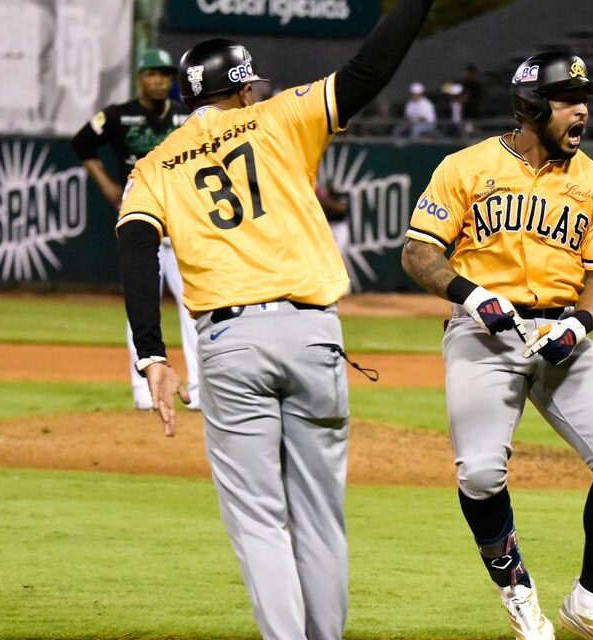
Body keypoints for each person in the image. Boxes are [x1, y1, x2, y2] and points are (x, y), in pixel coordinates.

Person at [114, 1, 434, 636]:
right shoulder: (282, 116)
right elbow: (369, 69)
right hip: (314, 333)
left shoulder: (153, 167)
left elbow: (134, 251)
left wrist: (151, 354)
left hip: (230, 342)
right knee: (320, 517)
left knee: (260, 519)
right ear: (243, 87)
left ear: (186, 96)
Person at [401, 51, 593, 640]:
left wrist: (580, 324)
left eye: (585, 99)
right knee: (481, 474)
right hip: (481, 332)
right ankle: (518, 595)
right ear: (533, 107)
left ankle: (589, 602)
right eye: (569, 99)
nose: (583, 110)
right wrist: (470, 293)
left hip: (561, 333)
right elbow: (418, 253)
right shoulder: (466, 167)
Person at [71, 48, 198, 411]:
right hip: (141, 222)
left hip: (183, 224)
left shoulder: (185, 118)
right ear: (139, 78)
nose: (159, 80)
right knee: (141, 306)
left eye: (165, 74)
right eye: (152, 73)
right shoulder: (119, 115)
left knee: (196, 309)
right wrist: (106, 184)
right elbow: (81, 143)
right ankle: (144, 391)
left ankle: (202, 390)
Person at [460, 63, 485, 137]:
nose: (468, 74)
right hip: (466, 113)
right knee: (466, 133)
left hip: (474, 113)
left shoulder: (477, 85)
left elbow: (479, 99)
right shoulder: (464, 84)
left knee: (474, 134)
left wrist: (467, 100)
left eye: (470, 72)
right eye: (467, 72)